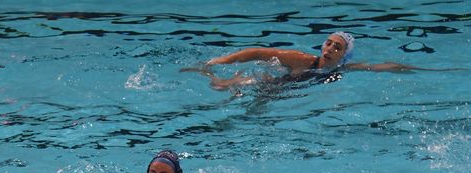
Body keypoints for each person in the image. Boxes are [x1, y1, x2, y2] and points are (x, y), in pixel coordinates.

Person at [182, 31, 442, 91]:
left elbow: (383, 67)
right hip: (274, 82)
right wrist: (222, 60)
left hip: (284, 91)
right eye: (328, 43)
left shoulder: (344, 69)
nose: (329, 48)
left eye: (336, 47)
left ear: (344, 55)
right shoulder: (301, 59)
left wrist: (426, 70)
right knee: (230, 86)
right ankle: (208, 74)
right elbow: (258, 52)